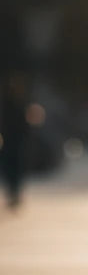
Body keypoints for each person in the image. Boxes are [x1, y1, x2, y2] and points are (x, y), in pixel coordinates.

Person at [0, 71, 31, 209]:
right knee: (12, 168)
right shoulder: (10, 103)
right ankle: (13, 193)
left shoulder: (17, 103)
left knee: (14, 168)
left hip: (15, 140)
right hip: (12, 140)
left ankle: (15, 193)